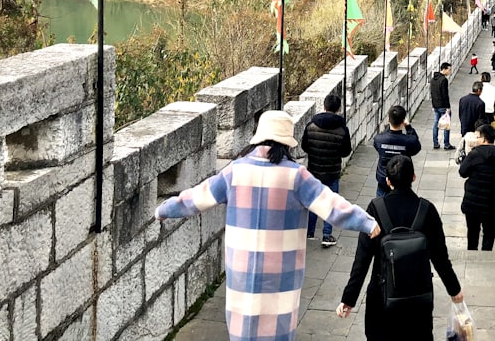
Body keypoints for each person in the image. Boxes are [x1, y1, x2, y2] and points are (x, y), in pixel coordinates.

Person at [155, 110, 380, 341]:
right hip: (281, 277)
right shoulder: (297, 177)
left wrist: (164, 210)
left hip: (242, 274)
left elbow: (196, 199)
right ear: (287, 143)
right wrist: (366, 222)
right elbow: (332, 205)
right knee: (277, 330)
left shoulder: (235, 171)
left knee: (242, 330)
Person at [337, 155, 463, 340]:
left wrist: (349, 298)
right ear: (414, 177)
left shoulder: (375, 208)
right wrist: (454, 289)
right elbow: (440, 257)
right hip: (418, 297)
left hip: (382, 298)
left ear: (387, 181)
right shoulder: (427, 210)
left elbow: (362, 259)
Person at [300, 93, 353, 246]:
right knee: (331, 202)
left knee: (313, 201)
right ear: (338, 109)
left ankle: (310, 232)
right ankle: (327, 235)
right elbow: (345, 152)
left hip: (314, 171)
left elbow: (305, 146)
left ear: (324, 106)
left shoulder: (311, 126)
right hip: (332, 172)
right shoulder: (343, 130)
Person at [459, 125, 495, 251]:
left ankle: (472, 255)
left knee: (472, 233)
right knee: (489, 234)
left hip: (473, 203)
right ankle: (487, 256)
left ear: (483, 139)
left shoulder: (474, 154)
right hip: (491, 203)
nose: (476, 139)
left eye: (478, 136)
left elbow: (462, 172)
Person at [373, 105, 422, 197]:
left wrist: (389, 127)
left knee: (381, 209)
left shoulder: (379, 139)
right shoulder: (409, 141)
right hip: (402, 182)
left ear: (388, 120)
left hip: (384, 181)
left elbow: (379, 143)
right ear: (403, 121)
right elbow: (417, 147)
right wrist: (408, 127)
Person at [429, 62, 455, 150]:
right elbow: (445, 95)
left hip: (435, 105)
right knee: (446, 124)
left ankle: (435, 143)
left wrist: (433, 105)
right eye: (449, 69)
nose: (449, 72)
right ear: (444, 69)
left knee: (436, 124)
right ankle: (446, 144)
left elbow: (432, 93)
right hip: (443, 106)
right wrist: (448, 107)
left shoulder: (433, 80)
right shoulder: (443, 80)